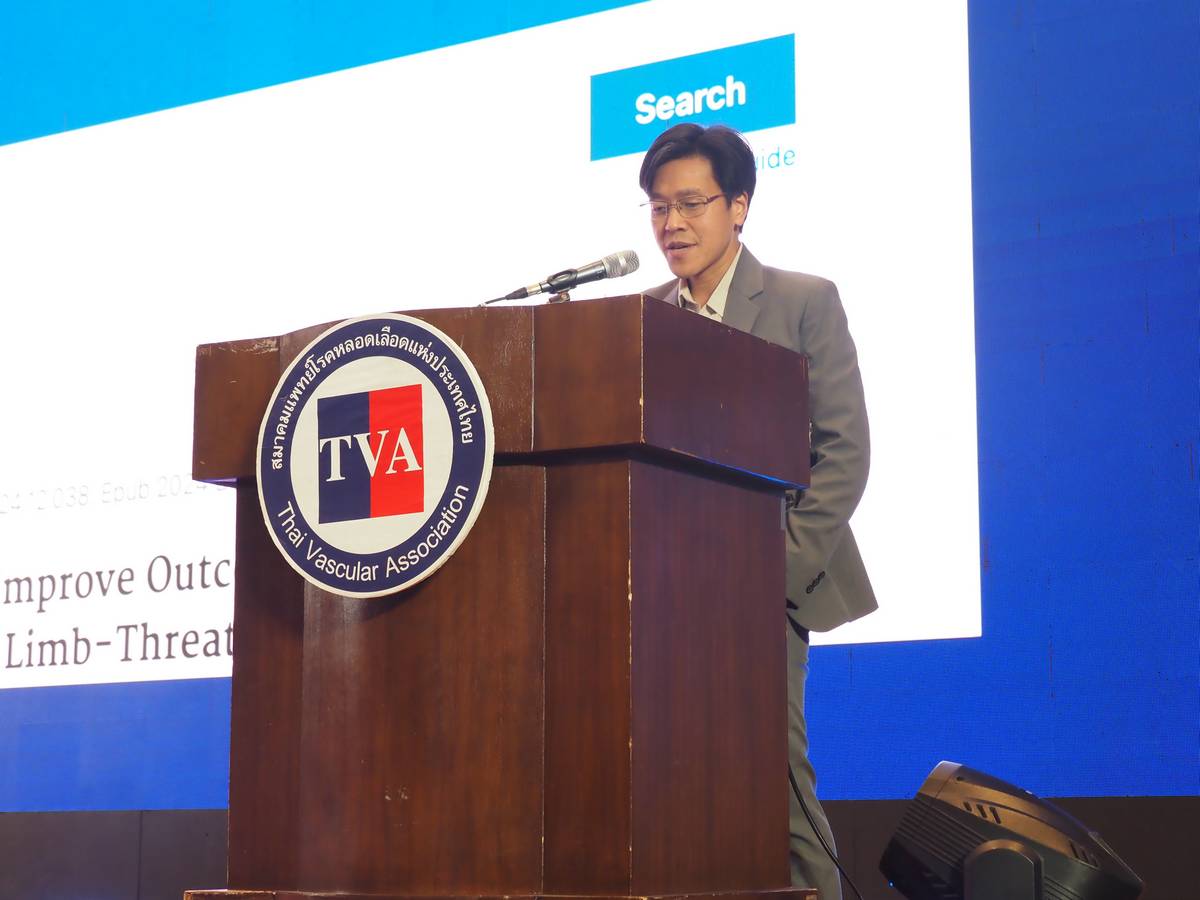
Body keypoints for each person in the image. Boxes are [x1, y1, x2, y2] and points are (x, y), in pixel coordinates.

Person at [638, 123, 877, 900]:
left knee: (775, 781)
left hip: (761, 589)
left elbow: (844, 451)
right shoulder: (639, 318)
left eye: (690, 204)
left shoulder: (803, 302)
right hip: (664, 594)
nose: (672, 224)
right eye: (658, 207)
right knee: (669, 782)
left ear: (738, 205)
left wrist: (777, 573)